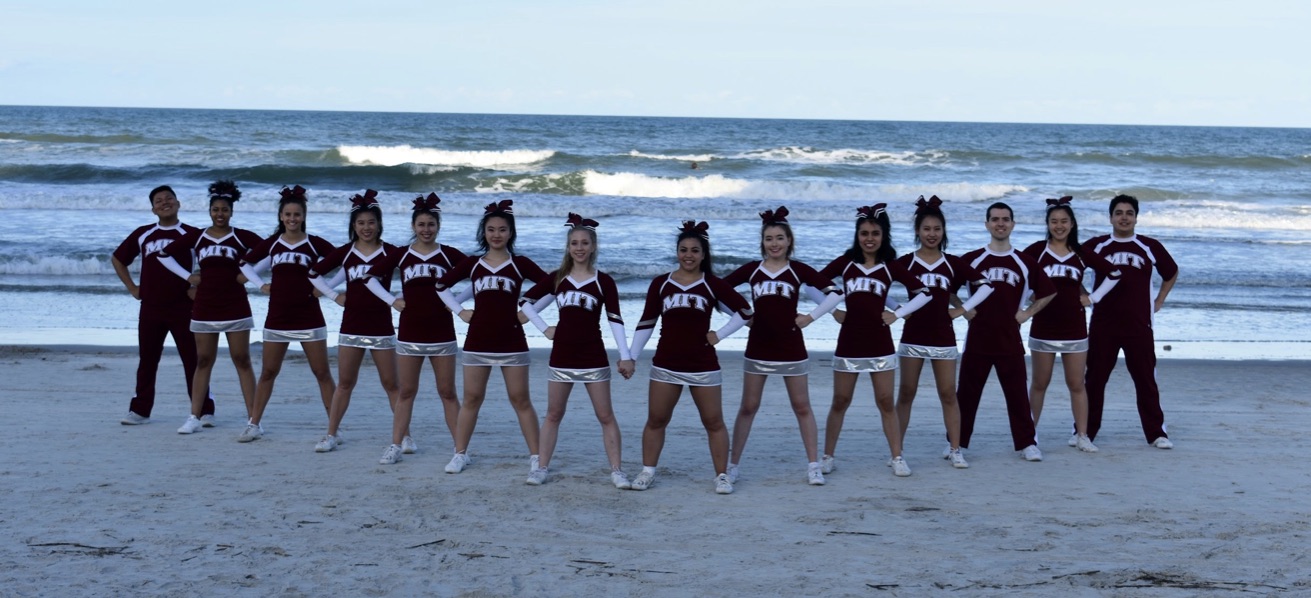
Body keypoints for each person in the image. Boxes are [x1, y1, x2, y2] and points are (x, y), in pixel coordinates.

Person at [628, 220, 753, 494]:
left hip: (703, 365)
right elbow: (646, 322)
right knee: (656, 420)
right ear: (677, 252)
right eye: (683, 249)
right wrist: (631, 356)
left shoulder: (713, 284)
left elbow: (745, 312)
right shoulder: (661, 284)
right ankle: (647, 470)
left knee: (714, 422)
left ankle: (721, 475)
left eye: (695, 250)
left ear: (703, 254)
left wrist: (719, 335)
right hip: (666, 364)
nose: (688, 255)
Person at [721, 206, 843, 486]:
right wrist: (741, 318)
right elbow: (716, 292)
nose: (774, 243)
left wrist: (810, 317)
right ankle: (733, 463)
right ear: (762, 242)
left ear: (789, 241)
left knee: (801, 406)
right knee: (748, 406)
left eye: (779, 238)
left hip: (791, 346)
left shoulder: (798, 270)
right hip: (759, 346)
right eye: (768, 238)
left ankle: (813, 465)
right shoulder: (752, 270)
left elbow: (836, 293)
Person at [519, 213, 635, 488]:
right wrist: (545, 328)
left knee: (605, 415)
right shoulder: (558, 279)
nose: (579, 248)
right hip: (562, 356)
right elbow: (526, 303)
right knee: (553, 414)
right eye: (574, 243)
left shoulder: (603, 281)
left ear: (593, 246)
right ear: (568, 247)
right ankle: (541, 467)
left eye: (585, 243)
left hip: (593, 356)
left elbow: (615, 320)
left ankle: (617, 470)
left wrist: (626, 355)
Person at [435, 199, 550, 475]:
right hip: (478, 340)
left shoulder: (520, 263)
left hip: (512, 340)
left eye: (502, 229)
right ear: (483, 232)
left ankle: (537, 456)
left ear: (511, 233)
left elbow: (553, 285)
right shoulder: (473, 264)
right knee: (472, 398)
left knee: (520, 399)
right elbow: (440, 286)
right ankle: (460, 453)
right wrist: (460, 311)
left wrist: (529, 313)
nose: (496, 234)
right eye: (491, 229)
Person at [818, 204, 932, 477]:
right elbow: (812, 283)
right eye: (864, 233)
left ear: (884, 236)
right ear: (857, 235)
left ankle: (897, 456)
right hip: (849, 343)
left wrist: (898, 314)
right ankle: (827, 456)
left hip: (880, 343)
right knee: (840, 400)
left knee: (885, 400)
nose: (869, 238)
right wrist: (833, 310)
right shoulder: (846, 263)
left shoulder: (890, 266)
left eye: (875, 233)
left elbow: (924, 293)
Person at [364, 193, 467, 464]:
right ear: (413, 226)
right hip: (410, 332)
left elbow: (479, 274)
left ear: (438, 226)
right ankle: (396, 445)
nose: (426, 229)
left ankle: (460, 451)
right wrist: (392, 301)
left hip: (442, 332)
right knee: (406, 391)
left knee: (447, 392)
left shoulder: (448, 254)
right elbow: (369, 278)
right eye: (421, 224)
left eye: (431, 224)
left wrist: (457, 303)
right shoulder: (402, 254)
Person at [893, 196, 992, 469]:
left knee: (948, 393)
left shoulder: (952, 263)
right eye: (927, 229)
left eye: (937, 229)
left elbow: (985, 285)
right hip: (912, 336)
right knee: (906, 393)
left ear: (943, 231)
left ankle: (955, 449)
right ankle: (897, 452)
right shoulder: (905, 263)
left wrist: (960, 310)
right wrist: (898, 309)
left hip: (943, 337)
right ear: (917, 232)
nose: (932, 234)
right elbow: (878, 282)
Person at [235, 185, 337, 442]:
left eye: (297, 215)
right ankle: (254, 423)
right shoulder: (272, 244)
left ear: (303, 216)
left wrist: (326, 289)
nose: (292, 219)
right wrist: (261, 285)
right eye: (288, 215)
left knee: (322, 373)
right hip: (278, 318)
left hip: (309, 316)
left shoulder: (314, 243)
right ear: (281, 217)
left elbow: (346, 260)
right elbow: (244, 264)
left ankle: (334, 429)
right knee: (268, 372)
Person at [160, 180, 263, 434]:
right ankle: (194, 416)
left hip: (235, 305)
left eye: (224, 210)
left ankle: (254, 420)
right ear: (209, 211)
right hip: (205, 306)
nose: (220, 214)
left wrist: (248, 275)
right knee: (204, 360)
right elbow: (164, 255)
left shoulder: (241, 236)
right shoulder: (198, 236)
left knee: (242, 360)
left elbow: (270, 251)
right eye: (216, 209)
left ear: (231, 212)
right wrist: (188, 277)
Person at [956, 202, 1056, 461]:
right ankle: (956, 443)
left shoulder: (1024, 262)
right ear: (987, 224)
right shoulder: (971, 259)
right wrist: (963, 308)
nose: (1000, 223)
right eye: (995, 219)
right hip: (977, 337)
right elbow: (946, 285)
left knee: (1017, 395)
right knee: (966, 394)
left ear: (1013, 224)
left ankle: (1027, 443)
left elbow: (1049, 292)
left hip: (1009, 339)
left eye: (1005, 219)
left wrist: (1027, 313)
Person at [1021, 197, 1121, 453]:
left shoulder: (1081, 252)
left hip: (1074, 328)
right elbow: (1018, 274)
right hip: (1043, 326)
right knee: (1039, 383)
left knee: (1076, 384)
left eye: (1064, 221)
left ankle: (1082, 435)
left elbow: (1114, 273)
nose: (1059, 226)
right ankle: (1029, 437)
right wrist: (1024, 303)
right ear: (1047, 224)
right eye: (1054, 221)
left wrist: (1092, 298)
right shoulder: (1036, 250)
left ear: (1072, 223)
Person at [308, 190, 403, 453]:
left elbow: (413, 271)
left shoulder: (391, 253)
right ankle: (331, 433)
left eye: (371, 222)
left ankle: (404, 436)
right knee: (345, 383)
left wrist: (401, 298)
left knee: (392, 385)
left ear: (379, 224)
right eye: (360, 223)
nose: (366, 228)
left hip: (381, 326)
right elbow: (314, 273)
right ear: (353, 226)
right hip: (351, 325)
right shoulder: (346, 252)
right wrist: (334, 296)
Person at [1081, 194, 1179, 449]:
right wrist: (1083, 295)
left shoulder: (1148, 246)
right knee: (1095, 379)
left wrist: (1159, 301)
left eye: (1129, 213)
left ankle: (1157, 433)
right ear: (1111, 217)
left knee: (1145, 379)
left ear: (1136, 217)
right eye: (1119, 213)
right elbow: (1070, 266)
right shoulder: (1096, 246)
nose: (1124, 218)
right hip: (1104, 324)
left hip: (1139, 324)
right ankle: (1084, 432)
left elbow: (1171, 272)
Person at [111, 185, 214, 425]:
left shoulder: (192, 234)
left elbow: (211, 261)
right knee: (148, 360)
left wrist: (197, 287)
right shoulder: (144, 234)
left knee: (194, 360)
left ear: (178, 204)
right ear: (153, 209)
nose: (164, 202)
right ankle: (140, 410)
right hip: (151, 308)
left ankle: (204, 410)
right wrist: (133, 288)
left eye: (169, 198)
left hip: (184, 308)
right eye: (159, 200)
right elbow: (118, 259)